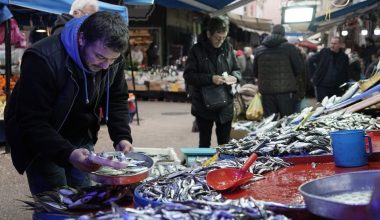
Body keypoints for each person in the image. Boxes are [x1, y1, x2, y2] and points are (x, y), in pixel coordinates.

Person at [5, 12, 133, 195]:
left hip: (80, 134)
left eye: (112, 60)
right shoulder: (41, 59)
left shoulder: (112, 58)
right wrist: (68, 153)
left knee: (84, 197)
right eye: (100, 57)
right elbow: (32, 122)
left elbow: (117, 97)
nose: (106, 66)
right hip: (41, 142)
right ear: (82, 39)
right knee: (56, 201)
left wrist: (122, 136)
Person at [184, 16, 241, 148]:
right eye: (217, 37)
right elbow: (189, 76)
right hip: (204, 105)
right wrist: (211, 78)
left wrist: (235, 77)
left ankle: (224, 168)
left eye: (223, 37)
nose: (220, 41)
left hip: (225, 104)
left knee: (225, 145)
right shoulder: (196, 50)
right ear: (209, 33)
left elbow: (237, 70)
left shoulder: (228, 48)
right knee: (204, 144)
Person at [253, 24, 304, 117]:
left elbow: (255, 72)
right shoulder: (290, 48)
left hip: (266, 92)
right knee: (287, 121)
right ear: (283, 34)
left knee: (270, 122)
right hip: (286, 92)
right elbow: (299, 69)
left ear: (271, 33)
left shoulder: (259, 50)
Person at [308, 37, 349, 102]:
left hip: (336, 87)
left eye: (335, 44)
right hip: (322, 85)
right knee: (323, 105)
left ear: (339, 45)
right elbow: (310, 60)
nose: (332, 45)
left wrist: (345, 85)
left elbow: (346, 72)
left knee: (334, 105)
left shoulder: (344, 57)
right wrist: (313, 75)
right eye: (331, 43)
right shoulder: (324, 52)